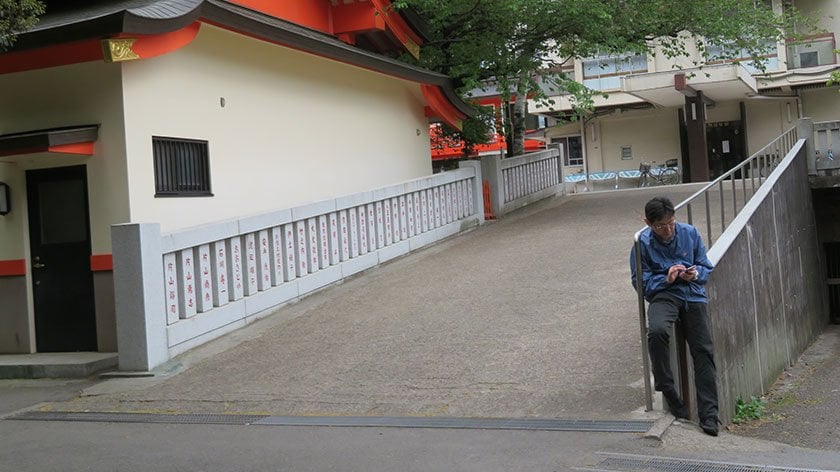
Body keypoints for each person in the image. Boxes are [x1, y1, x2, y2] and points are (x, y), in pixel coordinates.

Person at [629, 196, 721, 436]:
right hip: (664, 295)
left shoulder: (689, 233)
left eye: (671, 223)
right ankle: (666, 387)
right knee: (657, 331)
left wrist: (695, 273)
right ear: (648, 222)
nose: (668, 229)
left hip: (692, 294)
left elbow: (705, 267)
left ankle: (709, 415)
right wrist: (666, 278)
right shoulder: (642, 243)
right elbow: (640, 282)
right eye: (661, 226)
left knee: (703, 350)